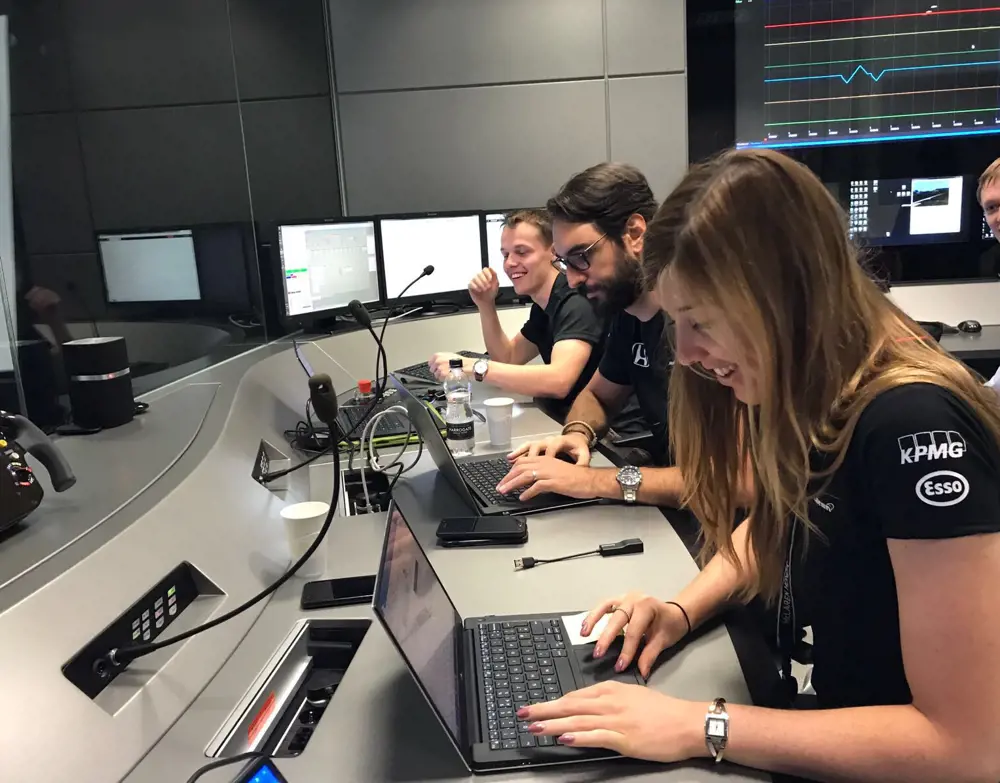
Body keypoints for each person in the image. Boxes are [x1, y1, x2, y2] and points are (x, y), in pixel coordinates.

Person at [515, 149, 1000, 781]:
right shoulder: (810, 392)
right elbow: (776, 525)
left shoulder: (911, 422)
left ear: (786, 297)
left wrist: (702, 726)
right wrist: (678, 612)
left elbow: (967, 746)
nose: (685, 354)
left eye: (701, 323)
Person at [497, 163, 750, 507]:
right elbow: (598, 397)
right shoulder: (627, 316)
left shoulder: (711, 328)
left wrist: (597, 481)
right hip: (675, 499)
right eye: (565, 263)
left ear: (634, 232)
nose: (572, 280)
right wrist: (577, 435)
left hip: (715, 512)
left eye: (582, 257)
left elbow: (736, 481)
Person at [428, 210, 608, 422]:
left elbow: (559, 381)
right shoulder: (544, 305)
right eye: (505, 255)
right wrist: (486, 305)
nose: (509, 263)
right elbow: (508, 358)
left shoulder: (576, 301)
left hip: (604, 432)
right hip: (566, 419)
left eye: (522, 252)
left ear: (554, 251)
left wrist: (470, 366)